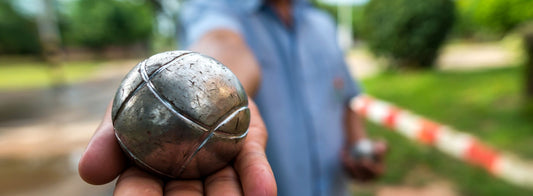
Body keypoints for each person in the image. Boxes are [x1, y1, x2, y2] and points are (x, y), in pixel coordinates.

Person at [78, 0, 385, 195]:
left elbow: (345, 95)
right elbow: (221, 43)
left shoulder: (322, 24)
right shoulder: (211, 7)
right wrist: (212, 87)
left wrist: (357, 147)